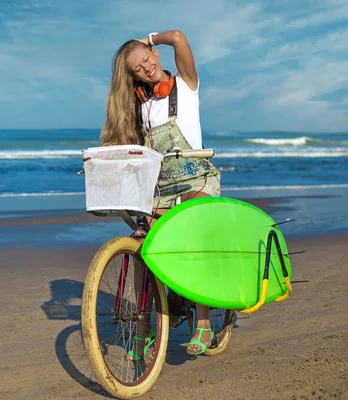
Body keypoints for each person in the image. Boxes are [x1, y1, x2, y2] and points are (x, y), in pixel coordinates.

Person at [100, 30, 222, 357]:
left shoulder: (186, 85)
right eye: (137, 69)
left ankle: (204, 322)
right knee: (145, 251)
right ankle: (144, 332)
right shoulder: (142, 106)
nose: (145, 70)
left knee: (193, 235)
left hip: (196, 177)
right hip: (160, 188)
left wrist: (151, 38)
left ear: (156, 56)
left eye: (146, 60)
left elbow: (180, 38)